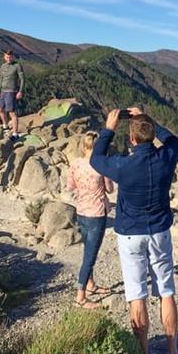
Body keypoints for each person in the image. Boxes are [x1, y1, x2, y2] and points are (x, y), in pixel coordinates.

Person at [90, 107, 178, 354]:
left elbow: (96, 158)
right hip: (159, 231)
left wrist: (108, 129)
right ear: (152, 136)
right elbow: (173, 141)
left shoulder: (122, 165)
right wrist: (148, 119)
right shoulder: (167, 157)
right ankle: (173, 353)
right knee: (166, 291)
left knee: (136, 294)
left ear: (131, 139)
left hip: (130, 233)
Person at [66, 132, 115, 309]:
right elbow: (109, 189)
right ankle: (80, 296)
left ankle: (90, 284)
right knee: (90, 257)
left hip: (81, 211)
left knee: (87, 249)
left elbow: (70, 186)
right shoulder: (101, 166)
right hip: (97, 213)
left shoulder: (75, 164)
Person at [0, 49, 24, 139]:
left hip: (11, 92)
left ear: (13, 56)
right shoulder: (3, 66)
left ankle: (15, 134)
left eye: (10, 57)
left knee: (12, 113)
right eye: (7, 57)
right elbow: (1, 79)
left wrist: (20, 91)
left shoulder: (17, 66)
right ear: (4, 57)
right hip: (3, 91)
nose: (8, 58)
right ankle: (5, 126)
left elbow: (22, 79)